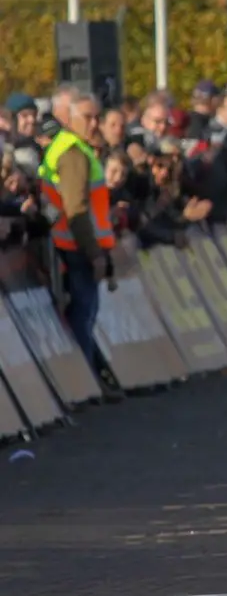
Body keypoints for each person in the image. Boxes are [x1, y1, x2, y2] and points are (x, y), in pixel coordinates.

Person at [37, 86, 120, 397]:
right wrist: (95, 253)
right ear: (67, 118)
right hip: (76, 249)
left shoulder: (73, 148)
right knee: (82, 319)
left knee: (83, 317)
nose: (95, 124)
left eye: (97, 117)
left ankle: (91, 382)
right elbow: (77, 210)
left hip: (73, 247)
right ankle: (86, 384)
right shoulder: (72, 153)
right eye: (88, 117)